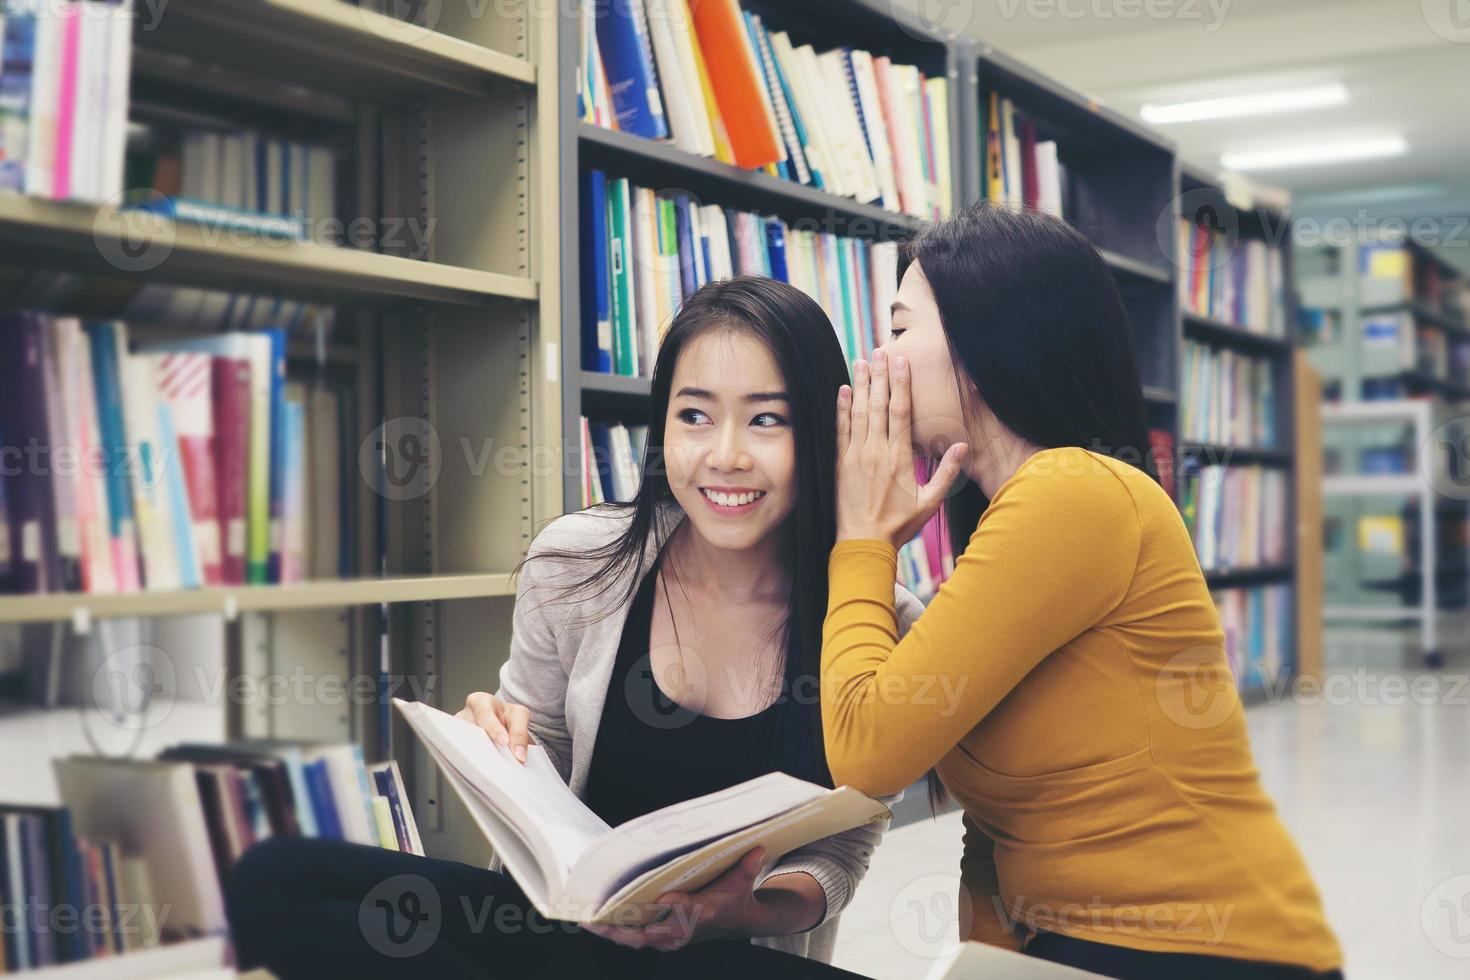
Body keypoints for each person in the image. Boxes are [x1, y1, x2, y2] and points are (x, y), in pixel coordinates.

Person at [226, 276, 923, 979]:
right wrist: (504, 750)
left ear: (825, 431)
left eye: (767, 420)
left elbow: (842, 847)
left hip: (720, 957)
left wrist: (733, 913)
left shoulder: (878, 620)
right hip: (564, 936)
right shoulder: (578, 560)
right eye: (695, 416)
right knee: (278, 876)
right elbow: (546, 755)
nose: (725, 456)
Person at [820, 204, 1345, 979]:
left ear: (985, 337)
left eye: (900, 330)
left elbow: (864, 753)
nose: (879, 359)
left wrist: (862, 538)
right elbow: (998, 818)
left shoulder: (1072, 491)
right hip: (1080, 949)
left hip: (1206, 951)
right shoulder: (1021, 508)